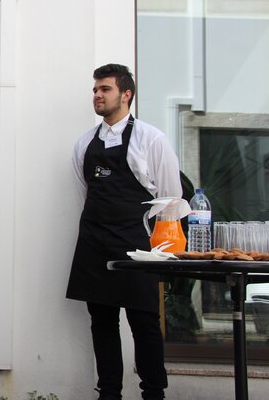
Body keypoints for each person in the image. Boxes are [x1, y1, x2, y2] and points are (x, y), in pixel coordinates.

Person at [66, 64, 182, 400]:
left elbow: (171, 199)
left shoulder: (151, 139)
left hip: (137, 244)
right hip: (94, 242)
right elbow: (84, 194)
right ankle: (109, 393)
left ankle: (154, 393)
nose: (97, 95)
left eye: (105, 89)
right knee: (101, 322)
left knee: (145, 322)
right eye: (95, 90)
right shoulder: (84, 144)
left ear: (126, 94)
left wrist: (160, 250)